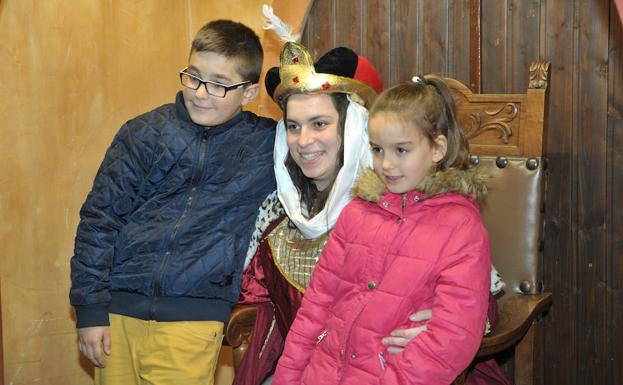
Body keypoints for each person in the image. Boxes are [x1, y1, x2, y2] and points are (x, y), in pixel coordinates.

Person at [69, 20, 276, 385]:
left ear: (248, 93)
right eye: (192, 76)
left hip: (193, 320)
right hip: (117, 316)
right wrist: (91, 311)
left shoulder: (266, 146)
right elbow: (99, 221)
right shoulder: (144, 133)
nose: (199, 93)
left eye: (218, 84)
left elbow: (329, 139)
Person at [271, 76, 498, 385]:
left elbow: (452, 336)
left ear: (437, 148)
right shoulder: (357, 212)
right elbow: (315, 308)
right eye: (377, 149)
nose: (386, 164)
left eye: (401, 150)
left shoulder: (460, 227)